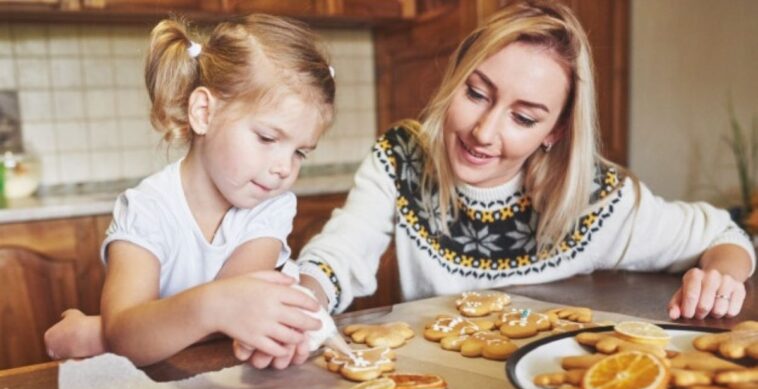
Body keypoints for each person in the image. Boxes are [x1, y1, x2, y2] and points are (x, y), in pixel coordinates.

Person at [296, 0, 755, 325]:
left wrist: (721, 276)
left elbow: (724, 235)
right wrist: (301, 302)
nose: (484, 131)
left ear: (554, 131)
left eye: (523, 117)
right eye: (476, 93)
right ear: (455, 79)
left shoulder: (595, 200)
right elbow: (340, 255)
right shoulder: (401, 159)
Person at [43, 14, 336, 368]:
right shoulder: (147, 210)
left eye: (300, 152)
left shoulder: (271, 206)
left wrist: (100, 333)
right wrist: (123, 332)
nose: (284, 169)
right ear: (203, 112)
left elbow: (233, 317)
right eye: (267, 138)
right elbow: (131, 336)